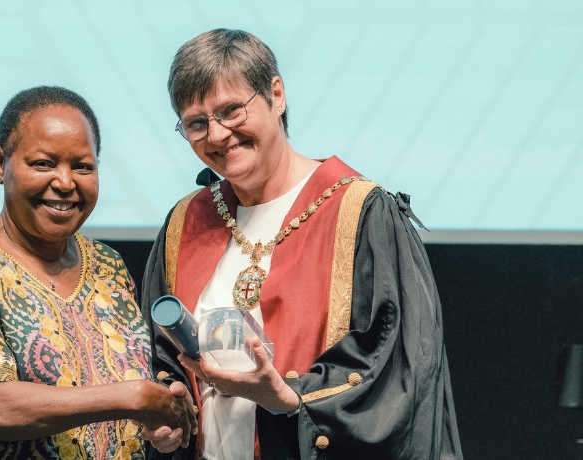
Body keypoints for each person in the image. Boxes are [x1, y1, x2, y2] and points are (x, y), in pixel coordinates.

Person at [140, 29, 462, 459]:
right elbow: (157, 357)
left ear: (276, 95)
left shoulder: (361, 213)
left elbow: (397, 372)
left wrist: (288, 396)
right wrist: (168, 414)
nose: (217, 136)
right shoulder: (186, 222)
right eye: (197, 123)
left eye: (232, 111)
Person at [0, 86, 196, 459]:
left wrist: (160, 423)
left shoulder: (108, 266)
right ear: (1, 163)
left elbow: (140, 389)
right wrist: (135, 397)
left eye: (82, 166)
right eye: (43, 163)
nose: (65, 182)